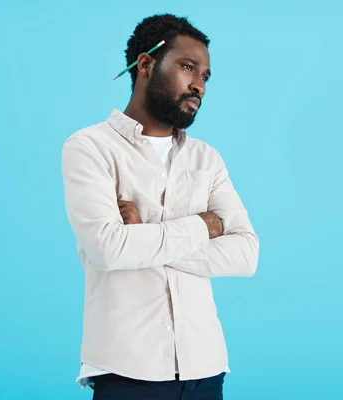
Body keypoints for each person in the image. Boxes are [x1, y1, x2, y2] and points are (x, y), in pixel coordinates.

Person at [61, 13, 259, 400]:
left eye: (205, 76)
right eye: (188, 67)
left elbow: (246, 255)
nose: (198, 85)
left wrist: (141, 237)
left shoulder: (207, 158)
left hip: (206, 369)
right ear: (146, 64)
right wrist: (204, 226)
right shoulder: (89, 148)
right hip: (127, 372)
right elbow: (108, 249)